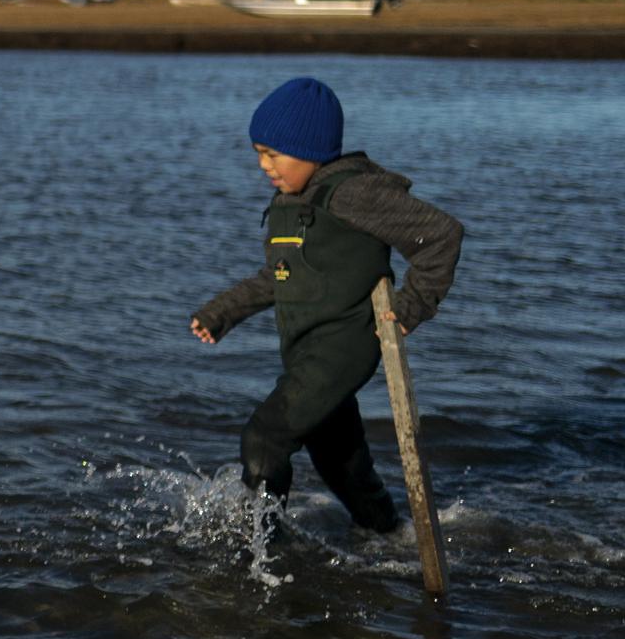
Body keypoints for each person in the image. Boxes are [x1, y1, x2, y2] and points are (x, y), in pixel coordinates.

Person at [189, 76, 463, 531]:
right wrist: (223, 312)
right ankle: (388, 536)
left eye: (273, 154)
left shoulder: (354, 193)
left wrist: (412, 306)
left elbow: (440, 236)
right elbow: (278, 277)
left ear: (313, 150)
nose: (263, 165)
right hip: (304, 352)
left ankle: (257, 558)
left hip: (341, 348)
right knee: (341, 464)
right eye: (258, 152)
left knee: (265, 438)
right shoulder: (292, 201)